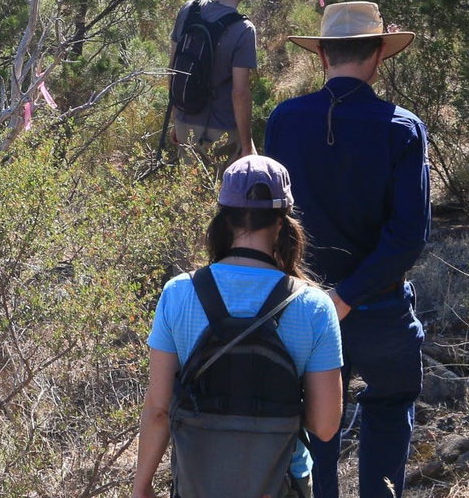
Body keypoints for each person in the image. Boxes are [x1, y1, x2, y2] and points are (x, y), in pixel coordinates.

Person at [264, 2, 430, 498]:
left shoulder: (285, 121)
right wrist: (351, 294)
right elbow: (408, 235)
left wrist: (321, 298)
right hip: (378, 305)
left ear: (323, 57)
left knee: (317, 427)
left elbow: (273, 219)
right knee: (388, 408)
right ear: (379, 54)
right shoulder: (401, 127)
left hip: (304, 308)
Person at [133, 155, 343, 498]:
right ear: (283, 222)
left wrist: (142, 486)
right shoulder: (314, 306)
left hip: (198, 483)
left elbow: (158, 409)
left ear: (224, 218)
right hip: (282, 485)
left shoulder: (179, 293)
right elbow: (324, 426)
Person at [169, 0, 260, 158]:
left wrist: (177, 118)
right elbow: (240, 93)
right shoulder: (244, 29)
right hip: (221, 131)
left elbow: (173, 68)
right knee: (223, 189)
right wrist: (247, 146)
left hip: (186, 122)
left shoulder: (189, 10)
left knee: (187, 188)